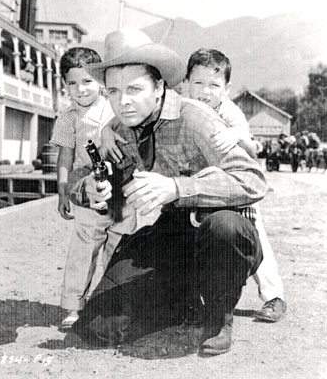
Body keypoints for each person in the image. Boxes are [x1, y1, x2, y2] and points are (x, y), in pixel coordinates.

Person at [65, 28, 266, 356]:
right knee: (96, 330)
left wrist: (177, 187)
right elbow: (80, 176)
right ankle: (179, 301)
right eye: (113, 91)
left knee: (226, 228)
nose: (123, 101)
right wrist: (86, 188)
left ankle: (218, 317)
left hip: (219, 229)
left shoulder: (195, 118)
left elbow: (254, 180)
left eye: (134, 89)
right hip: (171, 233)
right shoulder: (117, 130)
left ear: (158, 88)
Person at [183, 48, 287, 322]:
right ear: (186, 83)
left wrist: (236, 136)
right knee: (191, 235)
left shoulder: (230, 113)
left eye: (214, 85)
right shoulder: (183, 104)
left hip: (235, 185)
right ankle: (194, 299)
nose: (205, 91)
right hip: (200, 186)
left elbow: (252, 150)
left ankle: (274, 296)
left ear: (226, 89)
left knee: (253, 233)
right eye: (198, 83)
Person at [50, 47, 135, 330]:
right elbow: (65, 157)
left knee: (120, 246)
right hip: (88, 189)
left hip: (123, 185)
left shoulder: (116, 106)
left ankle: (115, 303)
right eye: (72, 83)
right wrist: (63, 191)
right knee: (84, 249)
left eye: (87, 81)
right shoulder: (68, 118)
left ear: (99, 80)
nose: (80, 89)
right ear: (64, 85)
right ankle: (74, 305)